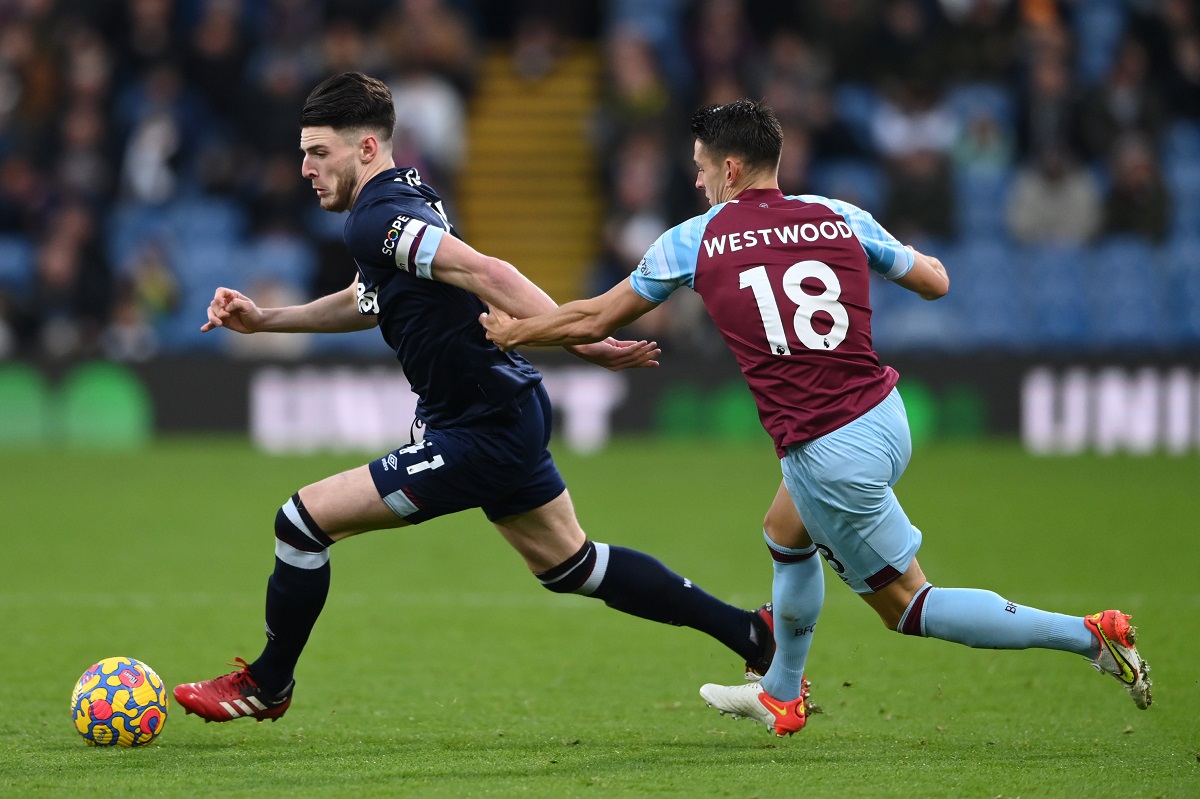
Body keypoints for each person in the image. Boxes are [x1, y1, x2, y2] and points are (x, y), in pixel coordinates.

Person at [481, 99, 1152, 738]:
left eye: (701, 165)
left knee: (909, 607)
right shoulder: (839, 215)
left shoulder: (695, 239)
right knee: (783, 527)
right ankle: (783, 688)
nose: (697, 177)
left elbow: (595, 316)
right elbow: (935, 281)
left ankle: (1090, 635)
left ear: (731, 169)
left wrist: (518, 332)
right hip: (885, 417)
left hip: (828, 449)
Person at [172, 73, 777, 724]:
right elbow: (366, 299)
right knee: (571, 564)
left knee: (302, 521)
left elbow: (489, 272)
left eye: (319, 153)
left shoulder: (376, 216)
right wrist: (266, 321)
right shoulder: (400, 199)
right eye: (303, 153)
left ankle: (267, 684)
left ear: (368, 148)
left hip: (478, 428)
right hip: (502, 408)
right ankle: (749, 633)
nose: (305, 169)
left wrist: (585, 337)